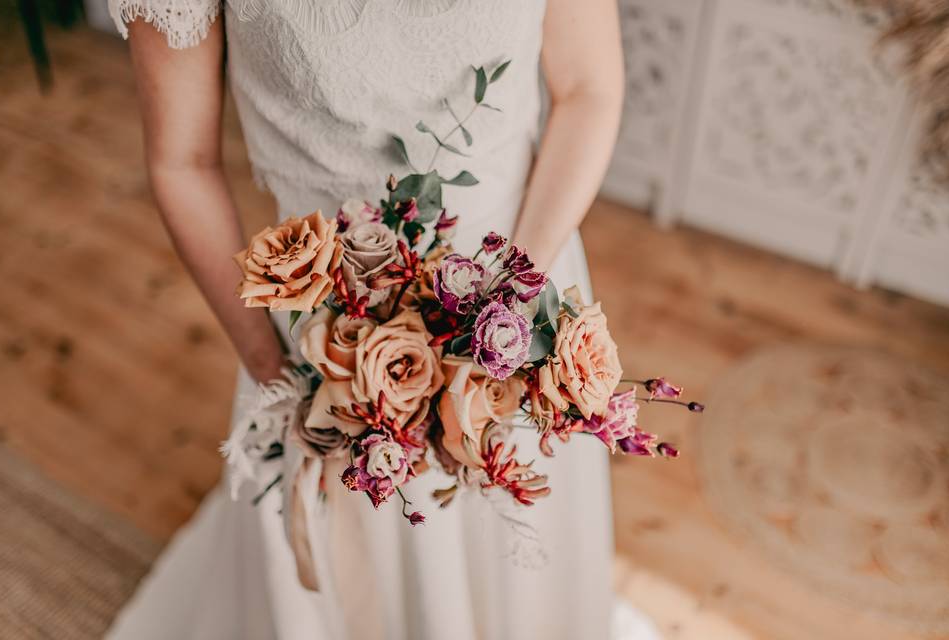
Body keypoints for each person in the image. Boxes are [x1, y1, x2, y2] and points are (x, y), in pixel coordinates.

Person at [106, 1, 653, 638]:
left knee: (518, 553)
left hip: (519, 288)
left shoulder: (516, 299)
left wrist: (509, 305)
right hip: (325, 340)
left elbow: (589, 90)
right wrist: (281, 374)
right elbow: (182, 162)